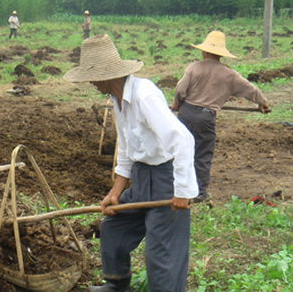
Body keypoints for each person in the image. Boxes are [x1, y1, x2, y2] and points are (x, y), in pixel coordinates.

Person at [64, 34, 198, 292]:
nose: (90, 82)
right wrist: (115, 193)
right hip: (141, 179)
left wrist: (182, 192)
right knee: (114, 226)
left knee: (161, 253)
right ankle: (117, 286)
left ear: (105, 74)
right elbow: (126, 150)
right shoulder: (117, 99)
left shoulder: (144, 96)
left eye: (91, 77)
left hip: (165, 180)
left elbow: (183, 140)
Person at [171, 31, 269, 203]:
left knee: (181, 150)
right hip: (205, 117)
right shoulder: (229, 74)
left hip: (186, 113)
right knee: (202, 155)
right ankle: (199, 194)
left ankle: (176, 189)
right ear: (221, 54)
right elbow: (250, 90)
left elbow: (180, 90)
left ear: (204, 52)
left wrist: (177, 104)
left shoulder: (193, 68)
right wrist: (262, 103)